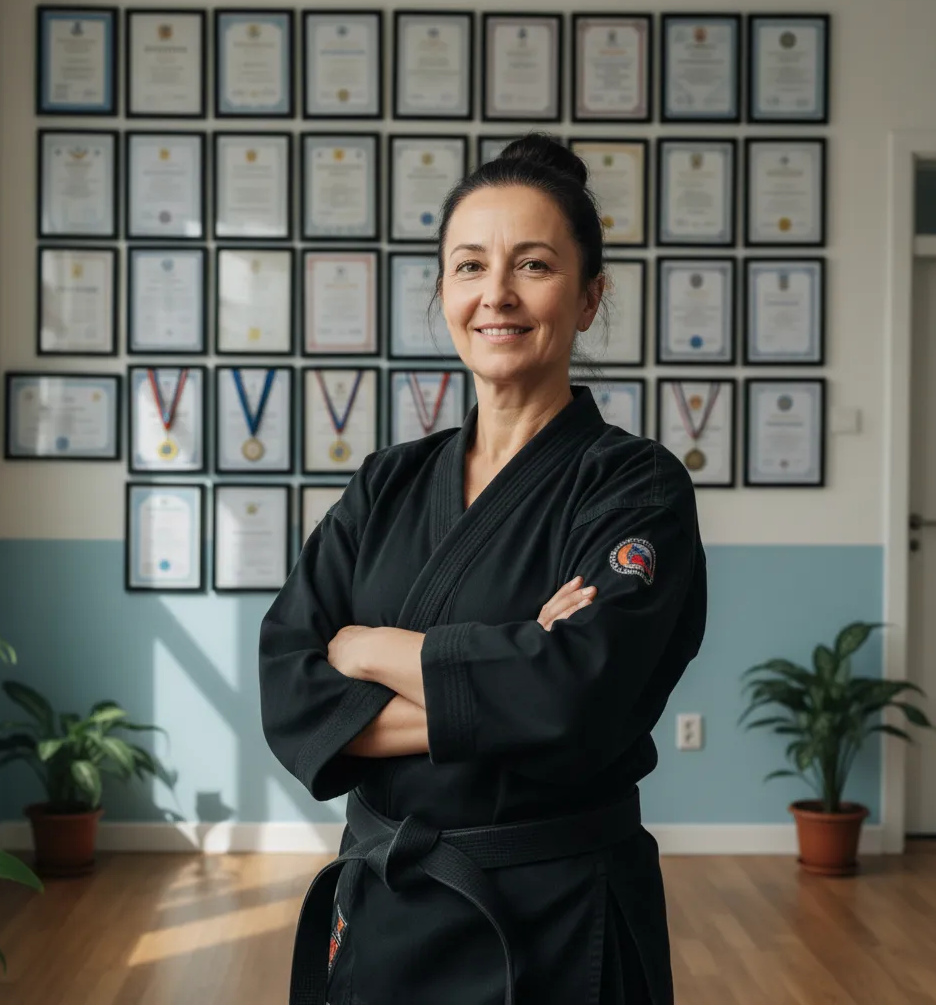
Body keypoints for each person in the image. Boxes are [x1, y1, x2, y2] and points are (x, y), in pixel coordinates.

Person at [260, 133, 708, 1005]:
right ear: (444, 291)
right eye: (469, 266)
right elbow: (291, 693)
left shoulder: (636, 485)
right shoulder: (388, 481)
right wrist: (511, 668)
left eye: (533, 265)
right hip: (388, 908)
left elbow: (577, 696)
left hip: (555, 917)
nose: (495, 294)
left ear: (588, 299)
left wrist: (365, 645)